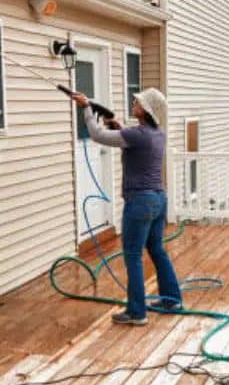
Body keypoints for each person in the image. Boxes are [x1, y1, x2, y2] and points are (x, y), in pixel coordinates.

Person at [70, 88, 182, 325]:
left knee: (132, 255)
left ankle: (136, 312)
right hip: (159, 199)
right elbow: (132, 142)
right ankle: (172, 299)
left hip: (140, 202)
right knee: (157, 250)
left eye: (139, 102)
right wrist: (119, 128)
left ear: (148, 110)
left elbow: (97, 135)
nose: (135, 102)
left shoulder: (138, 135)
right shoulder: (157, 134)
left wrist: (86, 109)